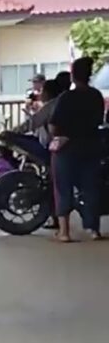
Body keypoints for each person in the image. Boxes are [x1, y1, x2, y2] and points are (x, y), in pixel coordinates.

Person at [49, 57, 105, 242]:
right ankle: (93, 230)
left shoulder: (67, 97)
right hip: (91, 147)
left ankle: (64, 232)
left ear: (73, 76)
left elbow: (54, 125)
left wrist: (61, 136)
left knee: (63, 188)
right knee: (90, 188)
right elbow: (98, 121)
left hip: (67, 148)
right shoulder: (96, 96)